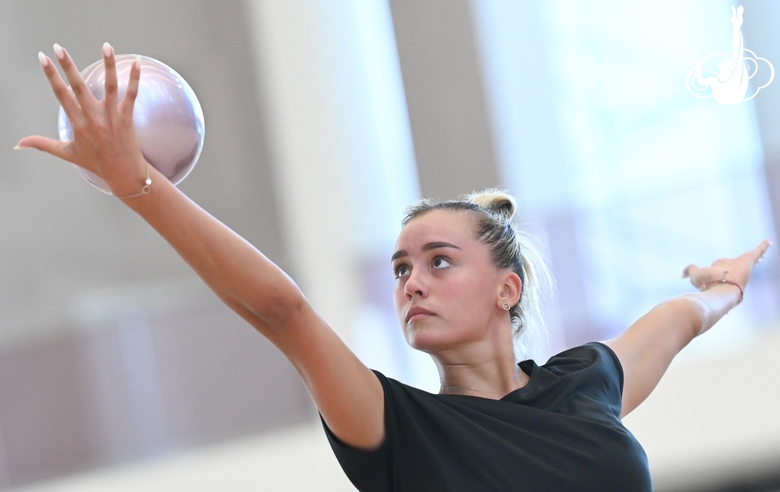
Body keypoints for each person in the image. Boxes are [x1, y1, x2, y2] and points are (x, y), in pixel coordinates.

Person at [16, 44, 770, 491]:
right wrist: (137, 187)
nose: (412, 282)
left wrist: (722, 289)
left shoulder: (583, 385)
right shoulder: (395, 428)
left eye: (440, 261)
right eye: (403, 267)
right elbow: (284, 311)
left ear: (508, 288)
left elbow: (672, 322)